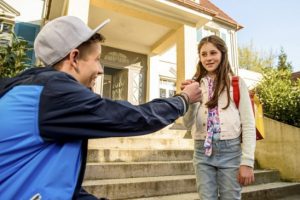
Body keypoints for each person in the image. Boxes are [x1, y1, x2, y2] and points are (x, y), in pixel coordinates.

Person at [0, 16, 202, 200]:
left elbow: (56, 184)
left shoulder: (35, 90)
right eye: (97, 59)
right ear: (74, 57)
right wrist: (183, 99)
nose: (100, 69)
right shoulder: (55, 93)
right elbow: (133, 117)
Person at [181, 35, 256, 200]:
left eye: (213, 53)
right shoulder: (195, 84)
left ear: (222, 53)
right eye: (204, 54)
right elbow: (187, 124)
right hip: (202, 151)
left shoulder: (236, 83)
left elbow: (249, 125)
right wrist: (189, 99)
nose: (208, 58)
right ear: (199, 58)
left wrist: (247, 162)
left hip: (231, 150)